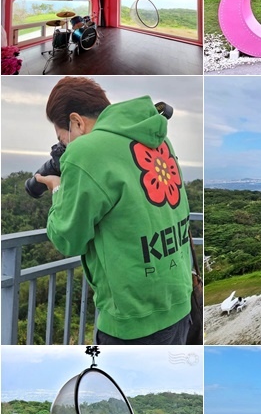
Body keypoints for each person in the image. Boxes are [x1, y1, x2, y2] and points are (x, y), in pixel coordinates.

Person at [36, 77, 191, 345]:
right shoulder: (157, 138)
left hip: (133, 317)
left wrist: (58, 189)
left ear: (76, 122)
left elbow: (68, 239)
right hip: (178, 301)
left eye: (63, 139)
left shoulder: (86, 150)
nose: (65, 147)